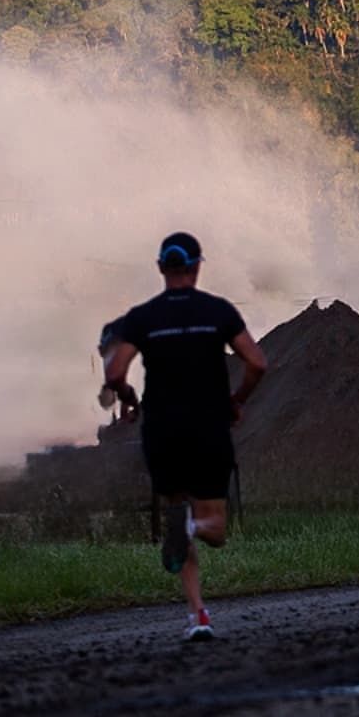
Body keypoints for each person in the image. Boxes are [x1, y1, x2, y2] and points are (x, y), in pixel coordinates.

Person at [104, 231, 267, 639]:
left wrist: (129, 399)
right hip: (208, 427)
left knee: (177, 506)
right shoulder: (217, 311)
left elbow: (114, 373)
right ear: (196, 267)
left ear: (161, 268)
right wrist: (237, 400)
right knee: (214, 529)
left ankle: (198, 616)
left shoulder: (142, 317)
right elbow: (258, 363)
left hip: (162, 431)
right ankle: (191, 527)